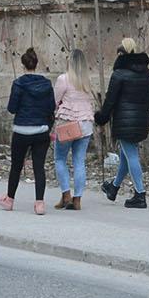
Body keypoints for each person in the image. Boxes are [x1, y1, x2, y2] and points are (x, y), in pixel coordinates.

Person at [94, 37, 149, 209]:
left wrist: (102, 117)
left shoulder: (119, 74)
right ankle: (113, 188)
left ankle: (140, 194)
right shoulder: (147, 73)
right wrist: (148, 116)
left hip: (124, 121)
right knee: (126, 155)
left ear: (121, 53)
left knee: (131, 154)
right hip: (141, 120)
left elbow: (110, 100)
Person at [2, 47, 54, 213]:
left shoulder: (18, 84)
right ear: (36, 64)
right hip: (41, 131)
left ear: (23, 65)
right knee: (39, 167)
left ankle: (9, 200)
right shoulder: (46, 84)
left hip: (21, 130)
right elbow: (51, 107)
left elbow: (12, 108)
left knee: (16, 166)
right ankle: (39, 204)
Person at [51, 48, 95, 210]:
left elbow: (54, 101)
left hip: (68, 124)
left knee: (60, 158)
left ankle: (65, 195)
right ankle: (77, 200)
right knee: (79, 161)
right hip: (85, 124)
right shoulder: (86, 80)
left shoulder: (63, 79)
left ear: (69, 61)